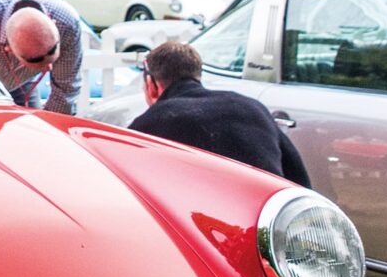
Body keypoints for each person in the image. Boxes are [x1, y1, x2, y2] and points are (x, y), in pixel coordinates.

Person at [128, 42, 309, 186]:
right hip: (263, 218)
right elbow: (298, 180)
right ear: (197, 76)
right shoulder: (252, 107)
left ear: (151, 85)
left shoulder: (152, 122)